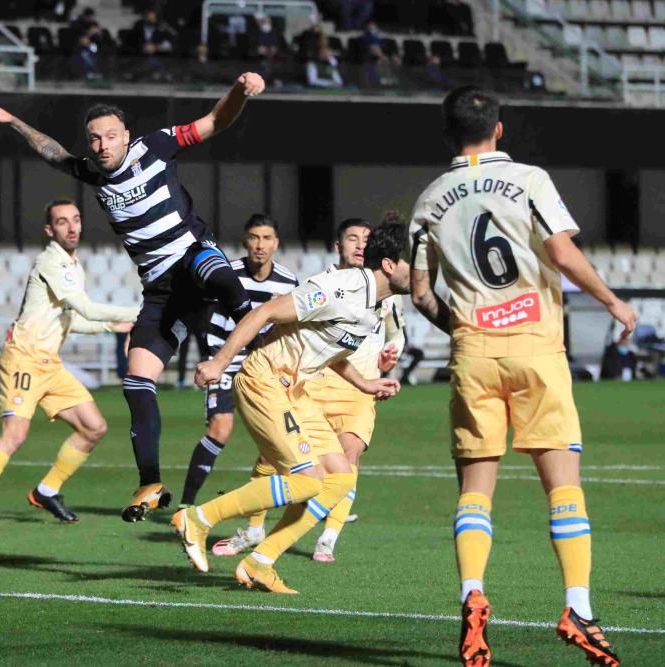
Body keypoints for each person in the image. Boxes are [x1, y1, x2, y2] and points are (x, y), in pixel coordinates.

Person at [408, 86, 633, 667]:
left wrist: (458, 327)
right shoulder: (529, 180)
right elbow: (560, 252)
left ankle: (472, 594)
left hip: (473, 353)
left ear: (447, 133)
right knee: (563, 485)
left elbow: (418, 291)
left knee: (475, 492)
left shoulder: (430, 199)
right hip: (536, 346)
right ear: (499, 128)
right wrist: (612, 301)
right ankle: (578, 607)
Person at [0, 71, 264, 522]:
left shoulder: (156, 145)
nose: (102, 145)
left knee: (220, 276)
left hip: (191, 257)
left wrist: (239, 92)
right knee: (136, 382)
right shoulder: (92, 171)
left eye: (110, 136)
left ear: (126, 137)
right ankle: (149, 482)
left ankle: (261, 340)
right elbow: (51, 151)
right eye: (94, 139)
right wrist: (13, 119)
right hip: (160, 290)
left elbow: (213, 121)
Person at [172, 223, 409, 594]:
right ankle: (198, 519)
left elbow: (331, 350)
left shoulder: (375, 306)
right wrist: (219, 362)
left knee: (341, 478)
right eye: (417, 263)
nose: (425, 274)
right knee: (306, 480)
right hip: (265, 380)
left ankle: (260, 562)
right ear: (392, 265)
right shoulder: (340, 288)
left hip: (294, 390)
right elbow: (265, 312)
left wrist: (366, 383)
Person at [0, 199, 139, 529]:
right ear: (50, 230)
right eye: (62, 222)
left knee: (94, 427)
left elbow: (72, 320)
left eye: (76, 220)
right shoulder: (51, 261)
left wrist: (115, 325)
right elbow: (87, 308)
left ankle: (46, 490)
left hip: (49, 364)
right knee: (14, 435)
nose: (72, 226)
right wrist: (141, 314)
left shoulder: (73, 265)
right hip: (24, 359)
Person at [179, 214, 298, 507]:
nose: (260, 245)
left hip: (265, 366)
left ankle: (289, 500)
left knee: (279, 435)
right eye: (255, 238)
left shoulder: (288, 281)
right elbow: (195, 308)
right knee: (220, 428)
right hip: (225, 360)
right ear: (246, 241)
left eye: (267, 238)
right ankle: (186, 505)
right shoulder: (225, 274)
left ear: (276, 243)